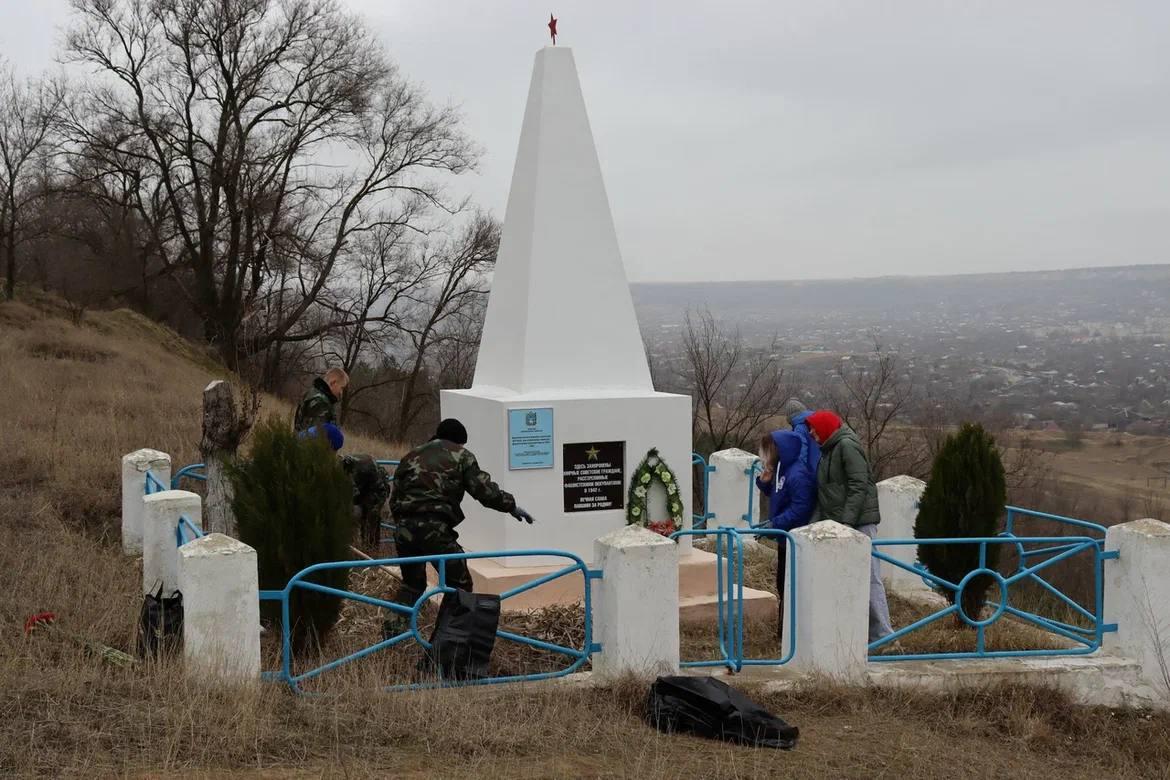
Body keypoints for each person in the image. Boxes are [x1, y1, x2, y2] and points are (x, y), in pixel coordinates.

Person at [387, 418, 535, 619]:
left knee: (412, 585)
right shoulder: (461, 455)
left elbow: (394, 497)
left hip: (404, 529)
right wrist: (511, 506)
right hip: (436, 530)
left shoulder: (410, 456)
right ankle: (448, 642)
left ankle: (392, 634)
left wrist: (405, 524)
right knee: (460, 586)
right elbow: (484, 492)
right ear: (460, 441)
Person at [805, 410, 894, 643]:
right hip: (841, 525)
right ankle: (856, 632)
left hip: (860, 523)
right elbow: (825, 494)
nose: (811, 433)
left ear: (824, 427)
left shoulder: (846, 446)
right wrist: (811, 527)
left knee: (869, 578)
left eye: (814, 428)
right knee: (847, 578)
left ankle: (884, 637)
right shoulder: (828, 450)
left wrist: (847, 522)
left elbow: (859, 484)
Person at [756, 430, 817, 643]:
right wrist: (764, 481)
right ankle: (784, 632)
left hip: (795, 539)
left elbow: (801, 508)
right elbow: (778, 496)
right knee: (783, 584)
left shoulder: (798, 474)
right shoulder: (782, 469)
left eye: (770, 450)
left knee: (791, 586)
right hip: (784, 538)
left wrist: (775, 524)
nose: (766, 455)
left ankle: (791, 635)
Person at [294, 367, 349, 433]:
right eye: (341, 388)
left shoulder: (311, 393)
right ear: (333, 383)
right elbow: (317, 438)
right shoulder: (321, 403)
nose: (341, 392)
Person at [783, 398, 821, 473]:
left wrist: (799, 473)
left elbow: (801, 454)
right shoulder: (817, 421)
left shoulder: (799, 428)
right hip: (824, 470)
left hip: (811, 472)